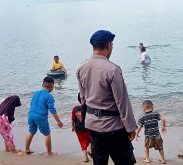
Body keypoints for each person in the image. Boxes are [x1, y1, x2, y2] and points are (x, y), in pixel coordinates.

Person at [76, 30, 137, 165]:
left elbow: (83, 99)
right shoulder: (113, 69)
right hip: (113, 128)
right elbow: (122, 102)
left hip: (93, 126)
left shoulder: (81, 67)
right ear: (108, 45)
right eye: (112, 45)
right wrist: (131, 127)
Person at [18, 76, 63, 156]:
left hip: (31, 115)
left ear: (43, 85)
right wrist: (58, 121)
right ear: (52, 86)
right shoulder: (49, 96)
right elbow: (52, 110)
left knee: (31, 131)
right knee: (47, 133)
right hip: (40, 117)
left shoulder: (36, 93)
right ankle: (49, 152)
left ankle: (27, 149)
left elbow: (32, 104)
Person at [71, 93, 91, 162]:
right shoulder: (88, 108)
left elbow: (73, 119)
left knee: (82, 143)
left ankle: (85, 158)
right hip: (88, 128)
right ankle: (89, 150)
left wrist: (72, 126)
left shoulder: (75, 109)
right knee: (91, 141)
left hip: (79, 129)